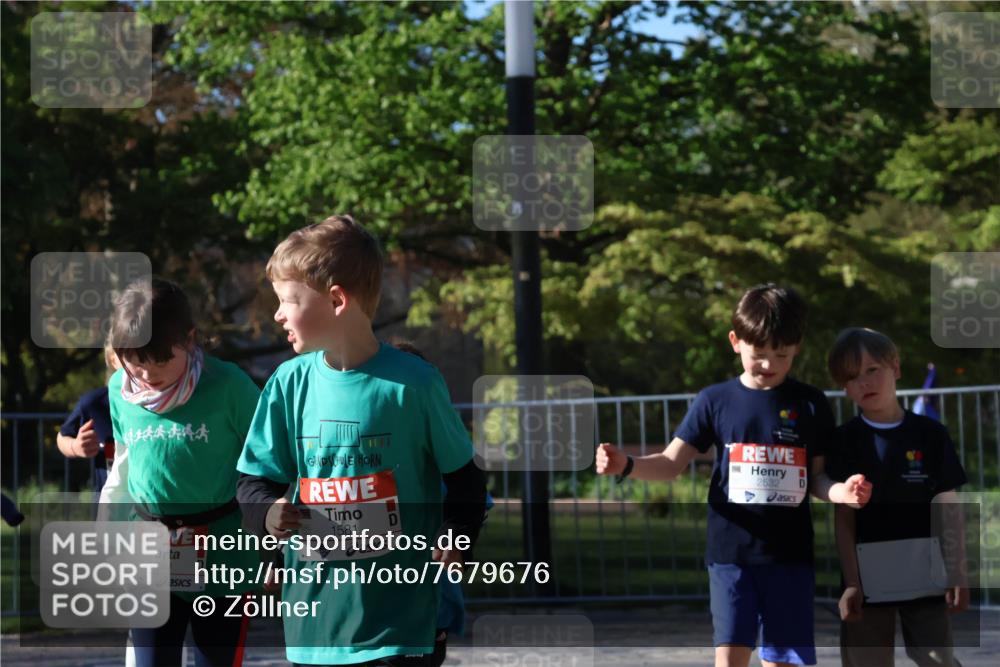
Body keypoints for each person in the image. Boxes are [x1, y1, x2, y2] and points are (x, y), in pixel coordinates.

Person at [236, 215, 487, 667]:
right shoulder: (286, 384)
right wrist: (268, 513)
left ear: (335, 300)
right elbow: (252, 481)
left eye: (287, 300)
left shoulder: (415, 384)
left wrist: (456, 536)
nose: (276, 314)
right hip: (315, 624)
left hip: (401, 624)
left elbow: (466, 479)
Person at [596, 283, 872, 667]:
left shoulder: (810, 403)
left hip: (789, 557)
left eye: (782, 355)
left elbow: (818, 479)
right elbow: (672, 463)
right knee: (730, 659)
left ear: (797, 347)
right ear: (735, 341)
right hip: (731, 557)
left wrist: (842, 492)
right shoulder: (715, 400)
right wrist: (626, 464)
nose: (769, 364)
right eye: (759, 354)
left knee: (785, 661)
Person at [99, 277, 261, 667]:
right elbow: (122, 469)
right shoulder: (120, 389)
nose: (149, 374)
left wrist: (274, 544)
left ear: (189, 340)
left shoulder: (229, 385)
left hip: (225, 555)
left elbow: (267, 462)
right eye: (136, 363)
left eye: (161, 360)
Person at [826, 328, 967, 667]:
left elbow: (949, 508)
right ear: (844, 388)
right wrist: (852, 583)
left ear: (896, 368)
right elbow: (844, 519)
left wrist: (959, 572)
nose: (864, 382)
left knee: (939, 660)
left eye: (872, 370)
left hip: (926, 576)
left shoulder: (931, 435)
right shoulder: (844, 441)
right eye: (852, 376)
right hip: (868, 582)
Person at [57, 339, 120, 495]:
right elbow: (62, 436)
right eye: (127, 353)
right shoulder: (95, 403)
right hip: (110, 502)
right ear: (113, 359)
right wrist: (75, 447)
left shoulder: (166, 400)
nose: (137, 360)